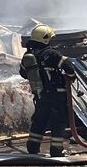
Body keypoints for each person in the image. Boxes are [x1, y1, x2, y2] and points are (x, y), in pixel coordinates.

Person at [21, 24, 73, 158]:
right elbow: (68, 66)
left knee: (40, 119)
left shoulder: (28, 55)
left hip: (41, 94)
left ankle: (32, 147)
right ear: (46, 38)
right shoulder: (51, 53)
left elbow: (23, 72)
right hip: (57, 94)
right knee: (59, 121)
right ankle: (56, 150)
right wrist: (71, 77)